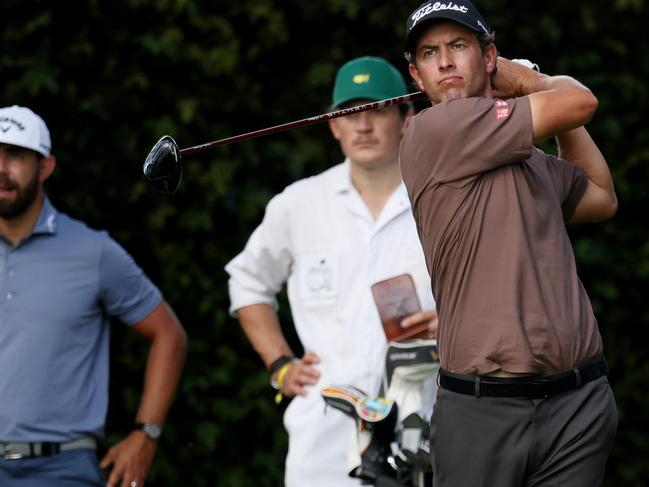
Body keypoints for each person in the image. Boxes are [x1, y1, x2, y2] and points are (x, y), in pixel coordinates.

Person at [398, 1, 618, 486]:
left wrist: (545, 109)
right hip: (483, 409)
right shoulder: (433, 131)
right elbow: (579, 101)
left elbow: (601, 198)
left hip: (578, 402)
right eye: (431, 53)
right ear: (417, 76)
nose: (446, 62)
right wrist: (531, 82)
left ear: (488, 56)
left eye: (459, 46)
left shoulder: (530, 158)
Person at [225, 56, 437, 486]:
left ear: (406, 118)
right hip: (322, 437)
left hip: (425, 427)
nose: (363, 125)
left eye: (378, 109)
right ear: (332, 125)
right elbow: (247, 281)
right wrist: (280, 364)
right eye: (349, 113)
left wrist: (456, 321)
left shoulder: (442, 201)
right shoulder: (299, 203)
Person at [0, 105, 188, 487]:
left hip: (62, 469)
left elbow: (169, 335)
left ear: (46, 167)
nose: (1, 168)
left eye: (16, 155)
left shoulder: (93, 252)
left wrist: (146, 434)